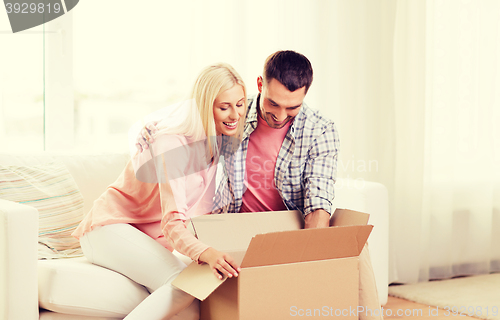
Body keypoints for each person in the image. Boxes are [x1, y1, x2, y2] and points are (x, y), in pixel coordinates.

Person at [139, 50, 383, 320]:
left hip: (291, 225)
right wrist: (150, 130)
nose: (280, 115)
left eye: (292, 108)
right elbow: (192, 120)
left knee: (356, 247)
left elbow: (318, 196)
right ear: (260, 85)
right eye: (273, 103)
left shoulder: (320, 130)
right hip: (238, 225)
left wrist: (313, 251)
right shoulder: (237, 114)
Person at [72, 63, 246, 320]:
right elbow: (173, 222)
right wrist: (206, 253)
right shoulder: (170, 143)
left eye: (240, 104)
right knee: (183, 283)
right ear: (204, 106)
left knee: (196, 295)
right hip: (107, 229)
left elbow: (199, 216)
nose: (235, 115)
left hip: (144, 237)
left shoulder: (216, 143)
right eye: (224, 107)